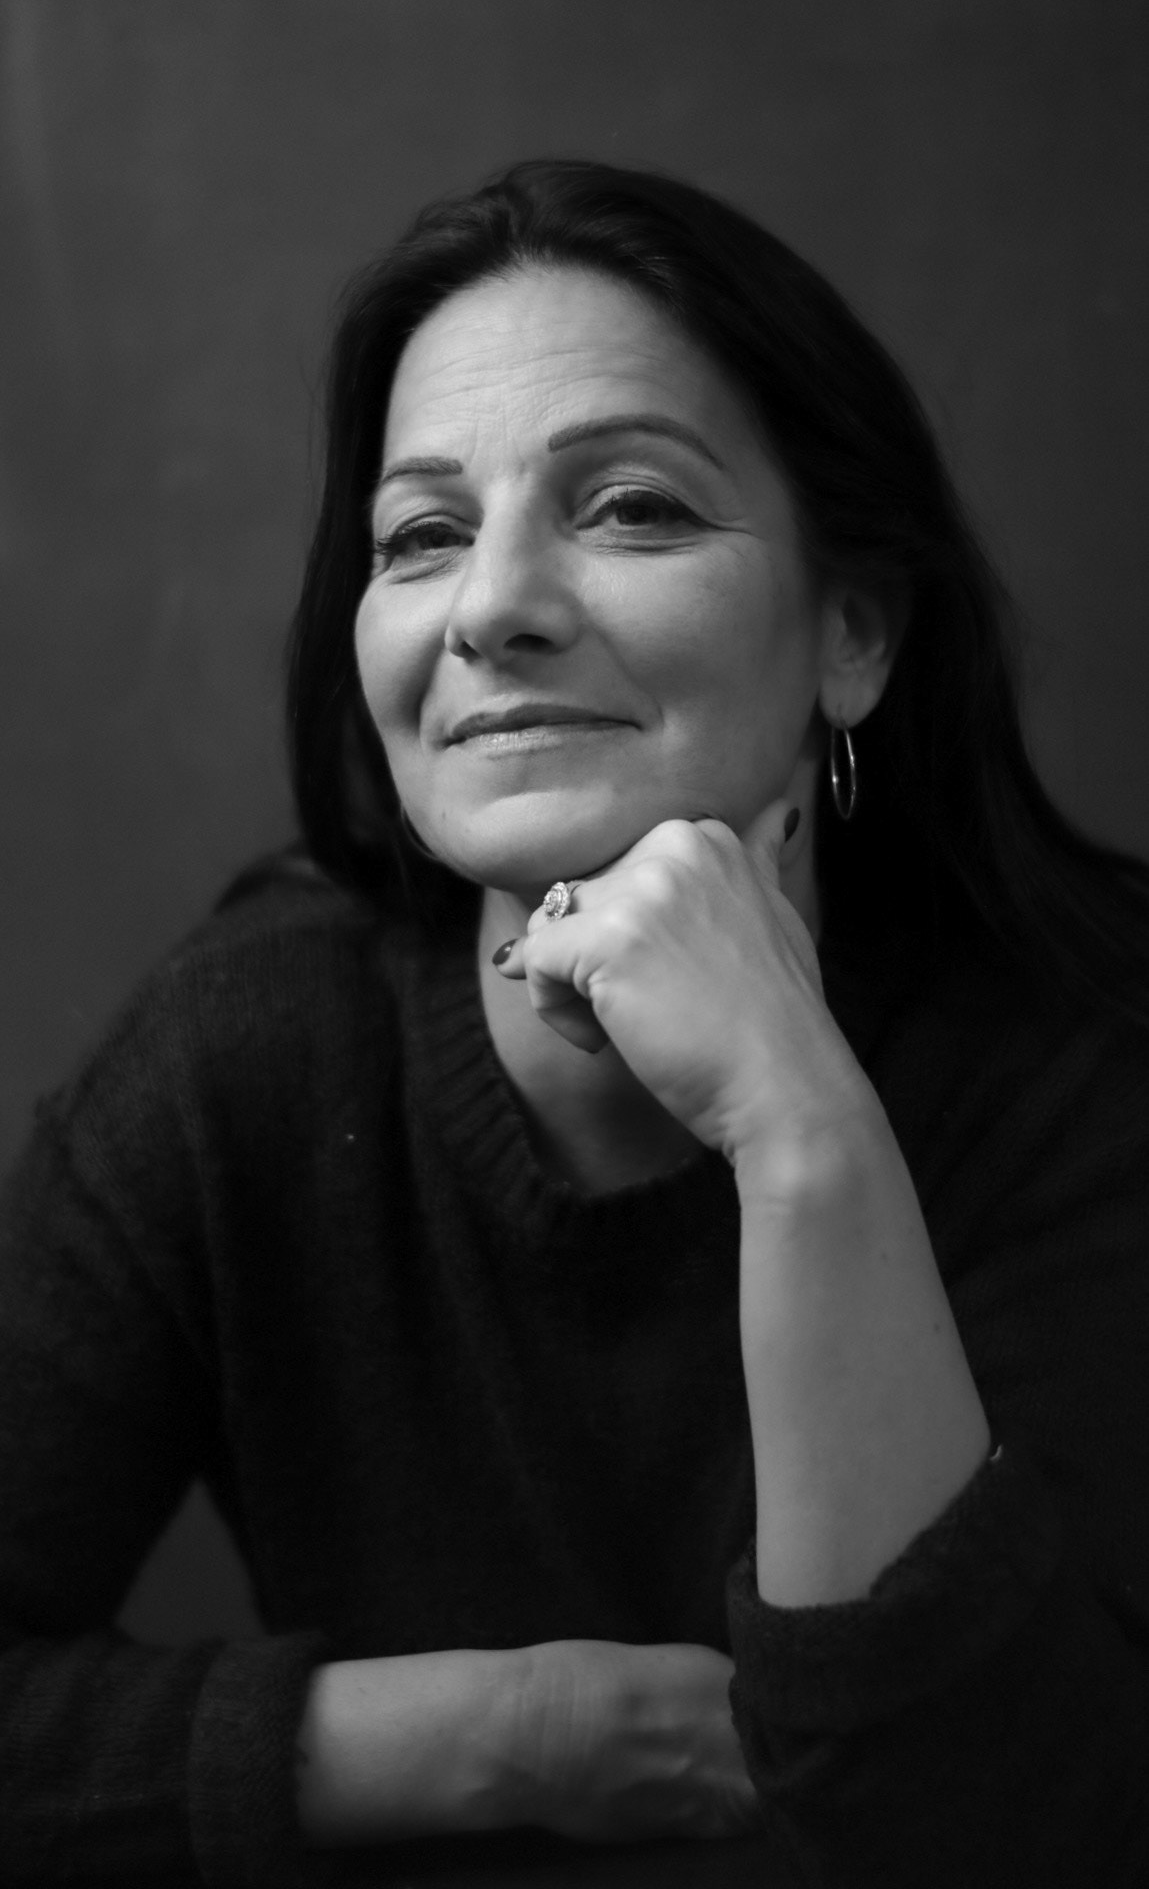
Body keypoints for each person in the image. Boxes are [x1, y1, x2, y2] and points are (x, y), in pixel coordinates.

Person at [2, 159, 1148, 1889]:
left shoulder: (1084, 1077)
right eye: (421, 535)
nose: (491, 607)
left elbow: (1002, 1840)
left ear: (850, 628)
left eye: (629, 508)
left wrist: (801, 1133)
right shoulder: (240, 1053)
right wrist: (508, 1735)